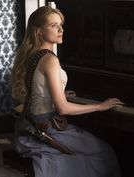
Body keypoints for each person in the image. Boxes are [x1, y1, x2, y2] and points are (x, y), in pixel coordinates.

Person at [10, 6, 124, 177]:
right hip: (47, 128)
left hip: (28, 124)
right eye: (54, 25)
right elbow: (63, 109)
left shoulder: (31, 54)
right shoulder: (49, 59)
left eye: (61, 25)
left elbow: (37, 89)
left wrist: (59, 94)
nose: (61, 30)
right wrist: (100, 105)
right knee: (104, 153)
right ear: (39, 31)